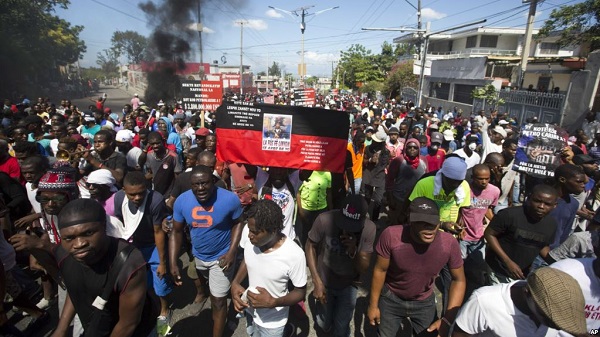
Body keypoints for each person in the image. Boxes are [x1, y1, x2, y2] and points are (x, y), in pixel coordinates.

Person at [12, 199, 156, 337]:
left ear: (104, 226)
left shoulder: (129, 262)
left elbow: (128, 324)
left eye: (88, 233)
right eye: (69, 238)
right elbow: (75, 287)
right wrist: (61, 330)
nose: (79, 244)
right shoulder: (66, 254)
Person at [368, 197, 465, 337]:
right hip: (391, 299)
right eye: (422, 223)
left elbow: (459, 280)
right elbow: (380, 270)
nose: (430, 228)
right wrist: (373, 305)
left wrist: (447, 320)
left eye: (433, 223)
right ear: (410, 221)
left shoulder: (448, 244)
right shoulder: (391, 236)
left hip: (424, 302)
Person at [170, 165, 243, 337]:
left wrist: (232, 251)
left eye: (204, 183)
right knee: (211, 289)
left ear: (213, 181)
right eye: (196, 184)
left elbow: (239, 222)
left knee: (218, 301)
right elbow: (177, 231)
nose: (200, 188)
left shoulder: (229, 199)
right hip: (199, 256)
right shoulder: (182, 201)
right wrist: (173, 261)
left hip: (221, 257)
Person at [231, 200, 307, 337]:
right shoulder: (249, 233)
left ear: (273, 231)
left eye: (255, 232)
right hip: (250, 311)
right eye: (249, 229)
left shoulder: (294, 255)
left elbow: (300, 292)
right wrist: (235, 282)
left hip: (273, 322)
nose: (249, 235)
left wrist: (274, 302)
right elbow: (248, 258)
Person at [306, 194, 376, 336]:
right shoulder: (324, 220)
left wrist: (354, 251)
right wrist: (316, 281)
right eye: (344, 224)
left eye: (353, 227)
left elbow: (364, 267)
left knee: (342, 325)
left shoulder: (369, 229)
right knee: (323, 323)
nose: (347, 229)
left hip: (348, 285)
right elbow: (310, 246)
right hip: (325, 281)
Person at [109, 171, 172, 328]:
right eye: (132, 194)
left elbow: (158, 232)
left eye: (141, 193)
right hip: (134, 245)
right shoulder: (118, 199)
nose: (137, 198)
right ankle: (152, 305)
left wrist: (163, 262)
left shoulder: (155, 200)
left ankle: (164, 310)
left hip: (154, 244)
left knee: (160, 279)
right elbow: (119, 223)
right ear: (123, 190)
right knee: (144, 282)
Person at [452, 267, 588, 337]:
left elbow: (585, 332)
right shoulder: (484, 301)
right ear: (527, 294)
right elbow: (461, 334)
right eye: (548, 318)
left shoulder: (563, 315)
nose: (557, 326)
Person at [485, 184, 558, 284]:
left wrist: (556, 262)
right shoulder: (509, 215)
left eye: (547, 204)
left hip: (521, 274)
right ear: (529, 198)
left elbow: (542, 245)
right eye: (537, 201)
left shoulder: (551, 224)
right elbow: (489, 234)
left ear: (554, 206)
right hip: (499, 268)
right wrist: (507, 262)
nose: (541, 206)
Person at [459, 164, 500, 290]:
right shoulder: (464, 190)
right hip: (462, 236)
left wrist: (496, 223)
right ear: (472, 178)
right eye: (480, 179)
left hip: (479, 235)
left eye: (487, 179)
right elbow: (457, 208)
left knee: (479, 265)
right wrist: (458, 224)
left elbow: (487, 208)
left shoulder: (494, 191)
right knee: (459, 264)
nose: (484, 182)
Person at [385, 138, 427, 224]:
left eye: (415, 148)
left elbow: (426, 179)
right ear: (405, 149)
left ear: (419, 149)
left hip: (415, 200)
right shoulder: (398, 161)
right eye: (409, 147)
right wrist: (390, 199)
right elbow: (390, 180)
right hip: (399, 199)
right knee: (396, 224)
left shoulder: (423, 161)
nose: (412, 149)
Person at [138, 131, 182, 197]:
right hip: (156, 191)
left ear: (163, 141)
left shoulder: (173, 156)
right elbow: (149, 171)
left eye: (158, 143)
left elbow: (177, 177)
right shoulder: (149, 155)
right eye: (152, 144)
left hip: (169, 192)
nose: (155, 146)